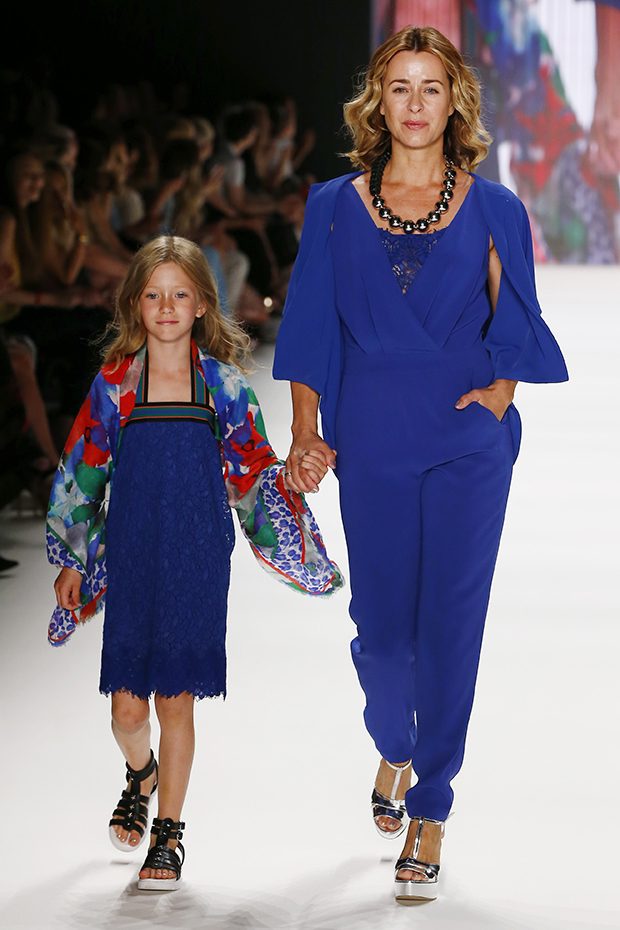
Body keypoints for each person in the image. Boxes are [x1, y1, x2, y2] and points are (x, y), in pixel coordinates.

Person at [273, 25, 568, 903]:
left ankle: (431, 807)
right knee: (383, 636)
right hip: (371, 434)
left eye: (430, 87)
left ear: (455, 101)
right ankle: (394, 743)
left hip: (464, 440)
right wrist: (305, 428)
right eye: (398, 86)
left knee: (451, 627)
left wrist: (502, 393)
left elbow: (514, 312)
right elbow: (309, 324)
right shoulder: (331, 203)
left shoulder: (496, 207)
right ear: (377, 100)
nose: (413, 103)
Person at [46, 235, 342, 892]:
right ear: (135, 305)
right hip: (132, 552)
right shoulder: (116, 384)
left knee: (175, 699)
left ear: (204, 303)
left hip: (198, 555)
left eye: (181, 294)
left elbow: (254, 472)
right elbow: (85, 470)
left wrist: (291, 486)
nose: (167, 306)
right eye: (153, 295)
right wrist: (72, 555)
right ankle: (140, 774)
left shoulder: (225, 385)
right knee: (127, 709)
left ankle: (169, 832)